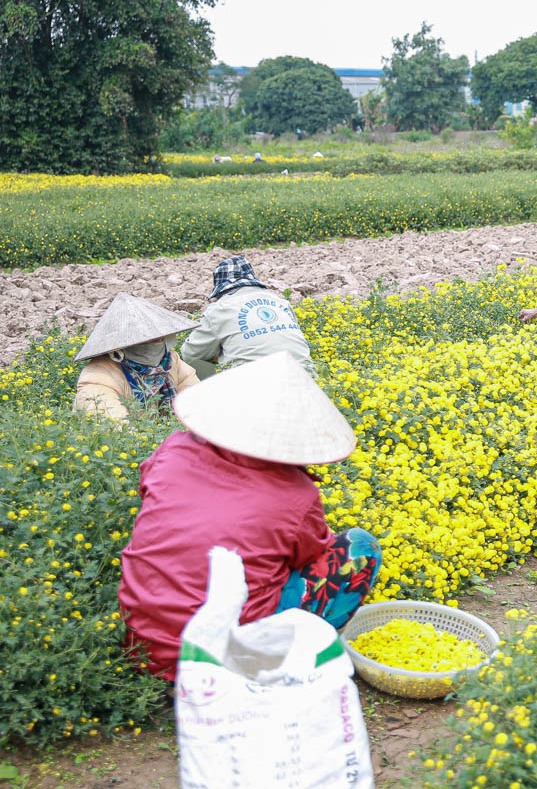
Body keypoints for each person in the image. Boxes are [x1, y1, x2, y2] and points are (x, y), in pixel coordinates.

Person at [119, 351, 382, 681]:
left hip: (145, 647)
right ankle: (281, 658)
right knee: (359, 548)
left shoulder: (173, 450)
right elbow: (311, 556)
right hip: (230, 659)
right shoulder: (296, 495)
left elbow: (151, 495)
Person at [180, 255, 316, 377]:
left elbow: (190, 354)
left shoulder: (219, 309)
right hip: (308, 380)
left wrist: (217, 354)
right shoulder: (280, 302)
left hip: (255, 385)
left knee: (197, 363)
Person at [73, 293, 201, 422]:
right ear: (121, 345)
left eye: (157, 339)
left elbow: (200, 404)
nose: (153, 344)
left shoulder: (170, 363)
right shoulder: (98, 378)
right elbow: (116, 430)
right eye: (144, 341)